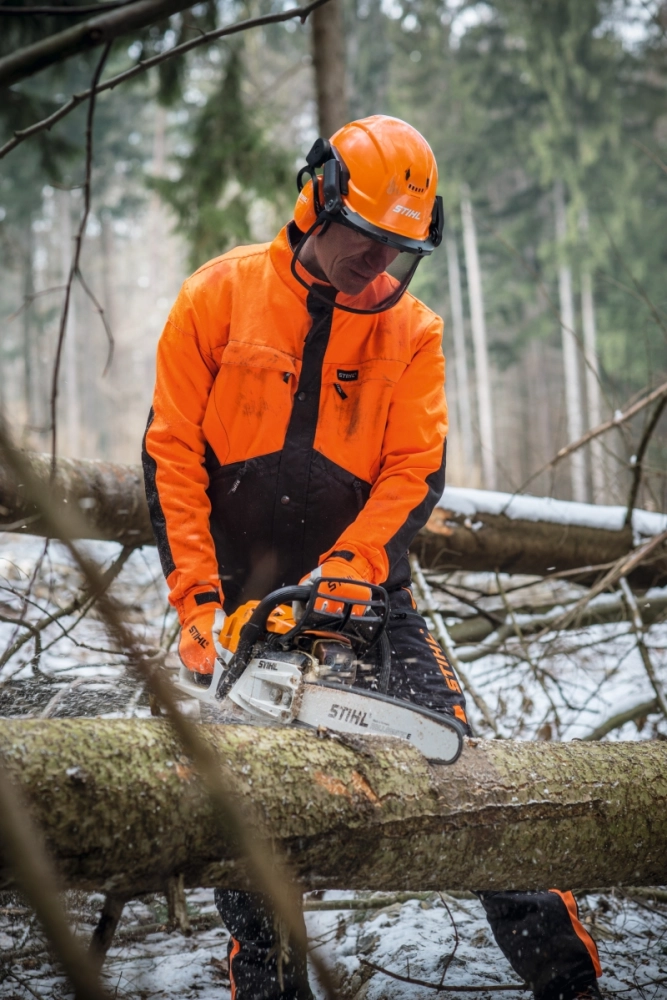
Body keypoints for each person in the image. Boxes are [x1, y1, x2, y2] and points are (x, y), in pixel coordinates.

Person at [142, 115, 602, 1000]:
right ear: (317, 200)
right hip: (239, 593)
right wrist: (200, 607)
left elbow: (412, 470)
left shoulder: (413, 332)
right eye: (366, 238)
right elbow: (171, 459)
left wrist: (354, 570)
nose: (377, 262)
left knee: (475, 792)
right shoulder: (217, 297)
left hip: (364, 593)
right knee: (250, 835)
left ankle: (571, 984)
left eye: (397, 247)